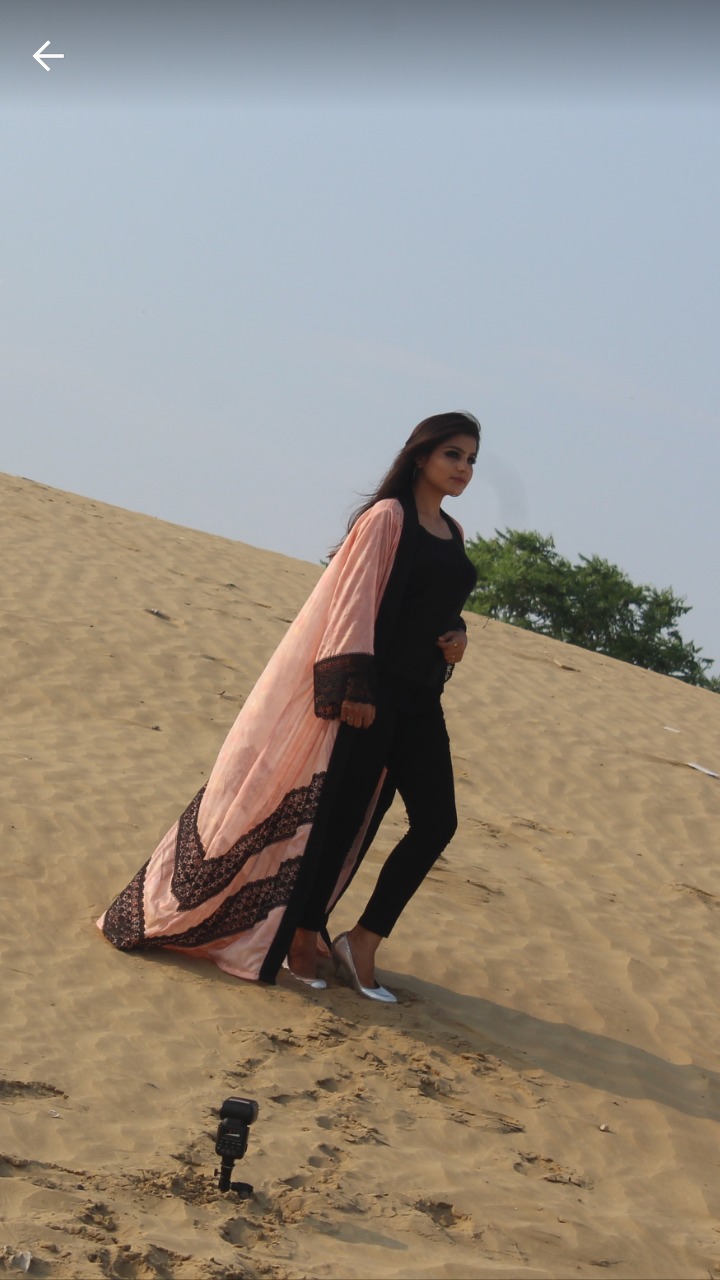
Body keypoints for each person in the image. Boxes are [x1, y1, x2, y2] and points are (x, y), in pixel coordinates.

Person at [98, 411, 480, 1003]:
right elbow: (354, 601)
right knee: (340, 819)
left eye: (471, 460)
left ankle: (363, 940)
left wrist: (458, 635)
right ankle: (303, 936)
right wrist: (355, 689)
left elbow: (432, 604)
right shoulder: (388, 517)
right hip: (371, 693)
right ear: (421, 454)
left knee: (437, 822)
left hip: (420, 698)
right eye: (453, 454)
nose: (464, 468)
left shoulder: (451, 531)